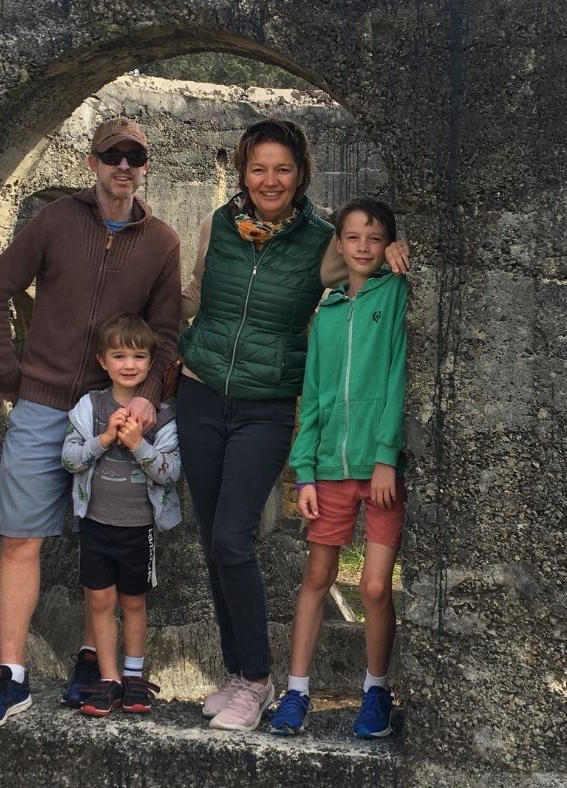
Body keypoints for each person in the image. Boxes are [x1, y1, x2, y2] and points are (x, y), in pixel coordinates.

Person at [176, 119, 410, 732]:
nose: (270, 180)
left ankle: (257, 680)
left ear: (301, 173)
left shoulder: (324, 240)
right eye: (258, 168)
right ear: (242, 172)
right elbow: (196, 296)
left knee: (232, 538)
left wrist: (395, 252)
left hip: (267, 404)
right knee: (210, 544)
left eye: (282, 169)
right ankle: (236, 673)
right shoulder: (216, 226)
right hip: (199, 395)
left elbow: (369, 264)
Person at [0, 118, 181, 728]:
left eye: (135, 156)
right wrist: (13, 378)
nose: (123, 165)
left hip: (111, 412)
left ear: (145, 166)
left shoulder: (162, 242)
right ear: (92, 162)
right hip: (43, 404)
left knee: (108, 540)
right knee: (20, 537)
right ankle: (11, 674)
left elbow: (166, 337)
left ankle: (95, 662)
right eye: (112, 154)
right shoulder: (56, 220)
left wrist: (148, 399)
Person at [268, 197, 407, 739]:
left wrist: (385, 458)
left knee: (374, 586)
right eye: (352, 238)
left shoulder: (395, 293)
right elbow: (316, 395)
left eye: (375, 238)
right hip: (327, 470)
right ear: (339, 245)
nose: (364, 248)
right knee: (317, 578)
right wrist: (303, 470)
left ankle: (376, 689)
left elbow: (396, 374)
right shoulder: (325, 313)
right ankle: (296, 691)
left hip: (379, 472)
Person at [60, 314, 181, 717]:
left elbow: (170, 471)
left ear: (151, 364)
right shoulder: (89, 406)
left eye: (139, 356)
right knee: (98, 600)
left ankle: (133, 677)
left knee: (133, 602)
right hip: (96, 523)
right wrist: (105, 439)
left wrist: (138, 446)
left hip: (138, 528)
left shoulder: (162, 415)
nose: (129, 364)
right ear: (102, 361)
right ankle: (107, 678)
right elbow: (69, 458)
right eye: (119, 355)